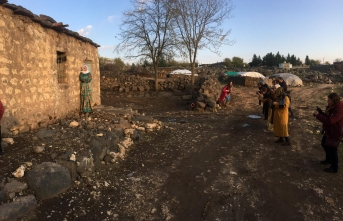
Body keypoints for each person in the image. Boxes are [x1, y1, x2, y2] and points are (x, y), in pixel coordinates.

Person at [313, 93, 343, 173]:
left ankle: (334, 167)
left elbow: (330, 121)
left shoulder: (339, 109)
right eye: (328, 99)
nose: (327, 101)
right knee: (324, 143)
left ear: (334, 100)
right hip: (329, 131)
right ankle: (328, 159)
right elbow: (328, 117)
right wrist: (321, 113)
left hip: (335, 132)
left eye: (329, 100)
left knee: (333, 149)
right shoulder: (332, 107)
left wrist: (318, 115)